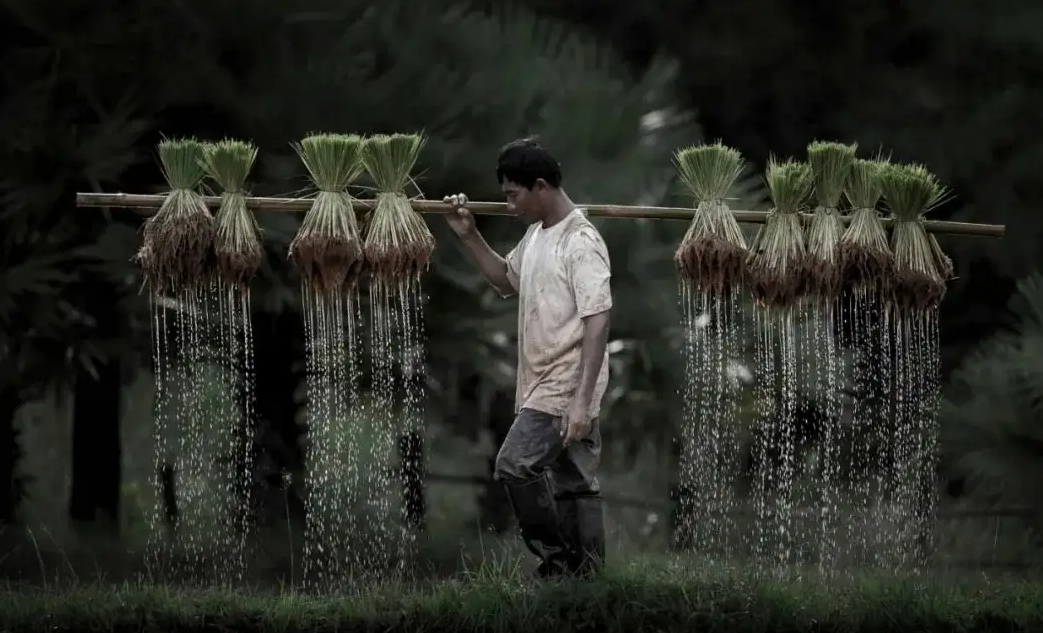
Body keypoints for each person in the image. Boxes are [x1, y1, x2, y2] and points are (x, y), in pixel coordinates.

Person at [442, 138, 612, 578]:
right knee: (575, 481)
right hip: (542, 382)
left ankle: (556, 566)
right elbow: (505, 279)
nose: (509, 205)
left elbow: (598, 320)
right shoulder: (537, 236)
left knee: (514, 465)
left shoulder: (581, 241)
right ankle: (586, 581)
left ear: (540, 187)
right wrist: (468, 234)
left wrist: (580, 399)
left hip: (565, 385)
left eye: (513, 195)